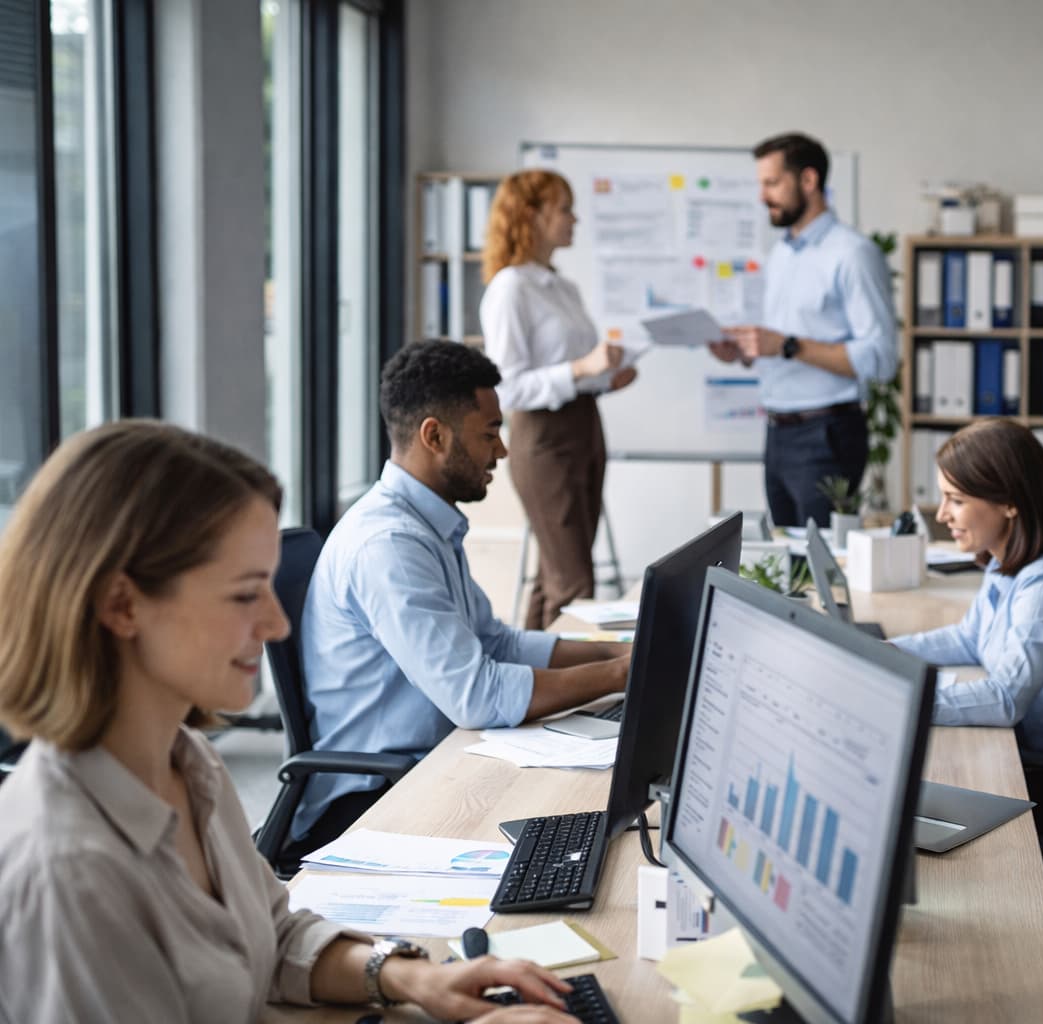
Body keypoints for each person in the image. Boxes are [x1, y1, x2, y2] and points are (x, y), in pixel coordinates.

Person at [0, 420, 577, 1022]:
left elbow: (270, 938)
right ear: (123, 606)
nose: (277, 625)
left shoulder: (186, 759)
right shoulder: (68, 875)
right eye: (247, 593)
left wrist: (416, 980)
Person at [295, 341, 630, 853]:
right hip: (373, 796)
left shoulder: (425, 525)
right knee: (580, 829)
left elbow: (496, 643)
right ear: (435, 435)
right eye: (491, 432)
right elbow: (478, 695)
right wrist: (621, 675)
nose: (502, 450)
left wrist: (619, 651)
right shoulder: (389, 546)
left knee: (591, 816)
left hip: (437, 757)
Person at [708, 132, 898, 528]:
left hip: (826, 434)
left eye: (772, 183)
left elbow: (880, 358)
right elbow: (784, 345)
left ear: (808, 181)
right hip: (778, 431)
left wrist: (788, 345)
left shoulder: (852, 254)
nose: (762, 197)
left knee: (821, 568)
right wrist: (744, 351)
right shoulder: (782, 253)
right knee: (788, 570)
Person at [889, 419, 1043, 754]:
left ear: (1009, 503)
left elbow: (1006, 698)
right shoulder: (1005, 559)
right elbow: (968, 639)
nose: (942, 515)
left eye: (956, 500)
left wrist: (900, 700)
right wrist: (883, 652)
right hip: (1023, 746)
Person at [480, 169, 637, 629]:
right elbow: (507, 387)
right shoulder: (510, 288)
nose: (575, 219)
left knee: (555, 579)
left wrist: (604, 379)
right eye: (564, 208)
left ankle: (528, 688)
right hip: (544, 440)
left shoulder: (561, 286)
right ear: (531, 216)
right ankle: (572, 694)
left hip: (584, 425)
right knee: (574, 584)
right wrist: (583, 369)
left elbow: (575, 372)